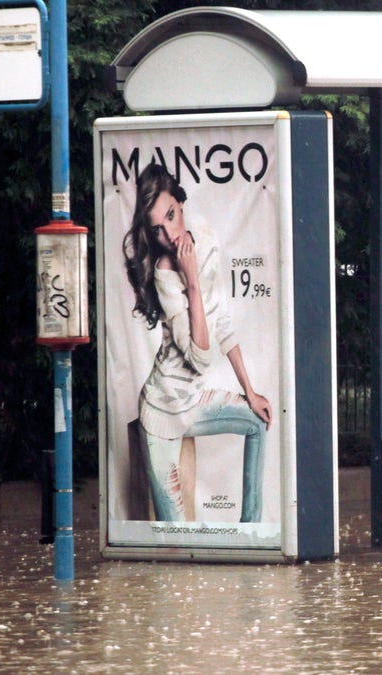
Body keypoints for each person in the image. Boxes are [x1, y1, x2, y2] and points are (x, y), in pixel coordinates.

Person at [122, 163, 273, 522]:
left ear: (181, 203)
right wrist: (190, 281)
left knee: (257, 421)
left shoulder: (205, 237)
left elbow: (220, 322)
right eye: (157, 229)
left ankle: (249, 531)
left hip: (192, 402)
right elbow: (200, 358)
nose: (170, 234)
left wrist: (249, 390)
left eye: (171, 216)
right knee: (174, 539)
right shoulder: (163, 273)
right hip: (161, 411)